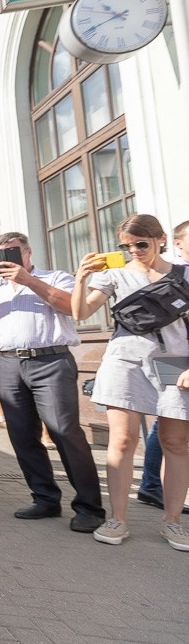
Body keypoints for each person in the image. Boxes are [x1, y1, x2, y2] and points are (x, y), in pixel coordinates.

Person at [0, 232, 105, 533]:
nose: (5, 260)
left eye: (13, 253)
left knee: (64, 431)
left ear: (28, 253)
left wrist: (28, 281)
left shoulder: (55, 277)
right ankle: (45, 498)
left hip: (50, 360)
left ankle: (90, 507)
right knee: (22, 435)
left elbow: (72, 307)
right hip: (8, 363)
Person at [72, 215, 189, 550]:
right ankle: (118, 518)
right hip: (126, 359)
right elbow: (80, 313)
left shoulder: (184, 274)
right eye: (127, 245)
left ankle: (173, 522)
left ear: (160, 239)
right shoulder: (115, 272)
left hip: (174, 361)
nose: (134, 251)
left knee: (175, 443)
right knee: (122, 441)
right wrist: (81, 279)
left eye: (142, 244)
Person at [138, 219, 189, 514]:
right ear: (177, 243)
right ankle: (152, 485)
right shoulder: (172, 276)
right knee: (170, 424)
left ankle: (152, 485)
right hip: (173, 360)